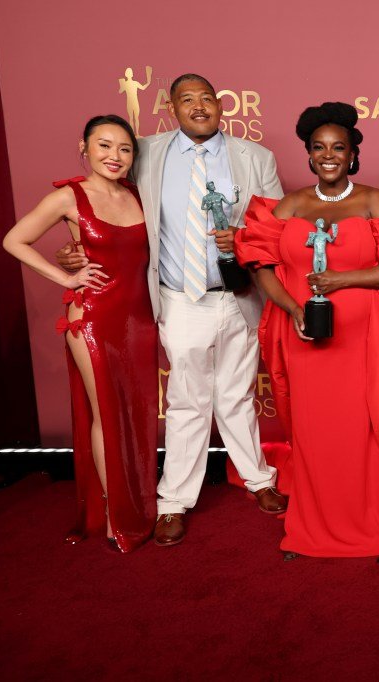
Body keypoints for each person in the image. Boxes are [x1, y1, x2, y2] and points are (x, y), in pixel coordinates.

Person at [58, 74, 287, 547]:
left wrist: (243, 240)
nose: (199, 106)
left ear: (220, 105)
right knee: (186, 400)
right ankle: (174, 501)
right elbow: (105, 203)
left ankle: (259, 479)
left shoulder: (256, 157)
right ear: (172, 108)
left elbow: (277, 227)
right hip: (180, 297)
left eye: (206, 98)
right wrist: (77, 247)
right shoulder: (144, 152)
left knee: (238, 394)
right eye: (187, 99)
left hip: (240, 295)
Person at [234, 102, 379, 558]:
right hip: (305, 338)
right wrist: (292, 309)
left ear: (353, 154)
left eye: (338, 147)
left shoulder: (377, 201)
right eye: (319, 148)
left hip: (360, 341)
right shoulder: (291, 204)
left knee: (357, 431)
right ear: (309, 155)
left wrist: (341, 280)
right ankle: (312, 522)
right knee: (314, 430)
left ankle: (364, 520)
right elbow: (260, 265)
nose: (329, 155)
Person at [3, 115, 157, 552]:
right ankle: (113, 515)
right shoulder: (68, 196)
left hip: (139, 320)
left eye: (124, 148)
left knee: (135, 414)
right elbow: (14, 240)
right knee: (106, 413)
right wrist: (66, 277)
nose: (114, 156)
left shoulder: (138, 194)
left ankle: (138, 502)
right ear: (84, 148)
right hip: (92, 318)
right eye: (104, 145)